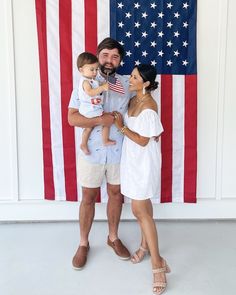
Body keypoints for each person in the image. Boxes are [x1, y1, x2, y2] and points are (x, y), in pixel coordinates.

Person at [68, 38, 133, 270]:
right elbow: (72, 118)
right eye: (105, 55)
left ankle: (113, 237)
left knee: (116, 193)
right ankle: (83, 243)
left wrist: (152, 127)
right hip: (92, 152)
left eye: (115, 56)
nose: (109, 60)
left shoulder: (126, 84)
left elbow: (140, 107)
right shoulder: (84, 83)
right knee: (88, 196)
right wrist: (99, 120)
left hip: (117, 150)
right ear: (97, 56)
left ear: (120, 61)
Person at [114, 64, 170, 295]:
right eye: (132, 75)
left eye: (135, 77)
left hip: (143, 162)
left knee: (139, 210)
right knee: (143, 207)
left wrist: (121, 128)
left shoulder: (149, 107)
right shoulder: (133, 99)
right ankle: (145, 246)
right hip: (131, 160)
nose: (131, 78)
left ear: (146, 83)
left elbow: (144, 140)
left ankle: (158, 264)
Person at [76, 52, 116, 155]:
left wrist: (102, 84)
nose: (95, 72)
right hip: (90, 109)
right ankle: (103, 140)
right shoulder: (85, 82)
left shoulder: (92, 80)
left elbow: (96, 87)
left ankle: (85, 143)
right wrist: (102, 88)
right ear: (81, 70)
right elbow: (90, 92)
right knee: (107, 121)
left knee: (89, 127)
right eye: (92, 69)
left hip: (93, 108)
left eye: (96, 69)